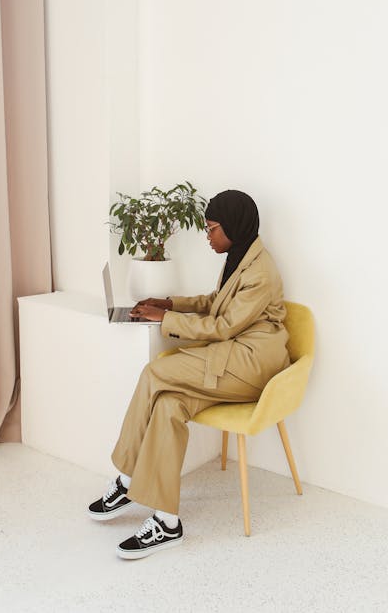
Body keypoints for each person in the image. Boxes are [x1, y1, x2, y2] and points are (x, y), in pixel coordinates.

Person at [88, 189, 290, 559]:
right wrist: (168, 303)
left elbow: (224, 325)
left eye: (212, 229)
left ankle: (126, 478)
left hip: (252, 363)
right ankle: (167, 522)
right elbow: (216, 303)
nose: (207, 236)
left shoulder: (260, 271)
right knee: (167, 404)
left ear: (234, 226)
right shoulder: (240, 255)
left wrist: (165, 320)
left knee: (155, 373)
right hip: (233, 356)